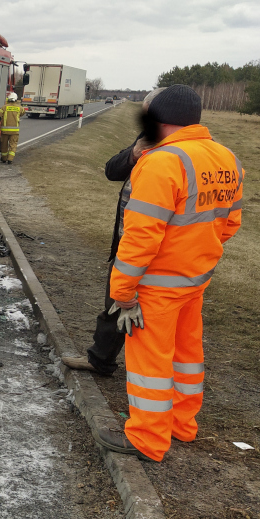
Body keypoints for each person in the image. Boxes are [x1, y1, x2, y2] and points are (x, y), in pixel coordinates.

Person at [94, 84, 243, 462]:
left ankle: (147, 438)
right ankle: (181, 424)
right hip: (194, 279)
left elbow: (140, 236)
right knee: (186, 354)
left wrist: (123, 292)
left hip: (156, 285)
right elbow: (229, 224)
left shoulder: (162, 161)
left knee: (151, 363)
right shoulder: (225, 157)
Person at [62, 88, 164, 376]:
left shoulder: (180, 152)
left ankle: (144, 371)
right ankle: (101, 358)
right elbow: (111, 170)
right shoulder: (149, 140)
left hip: (155, 249)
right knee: (115, 303)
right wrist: (133, 154)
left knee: (150, 313)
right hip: (128, 241)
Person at [0, 93, 22, 163]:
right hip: (15, 131)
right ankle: (10, 159)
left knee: (4, 145)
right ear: (16, 99)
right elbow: (22, 113)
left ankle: (4, 159)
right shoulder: (20, 108)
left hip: (4, 131)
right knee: (13, 145)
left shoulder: (4, 107)